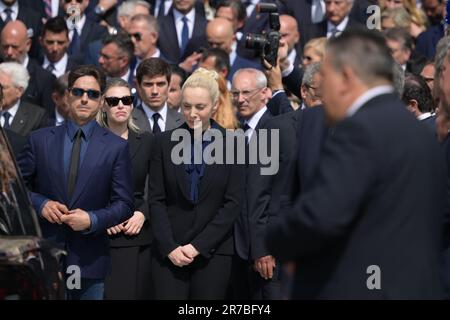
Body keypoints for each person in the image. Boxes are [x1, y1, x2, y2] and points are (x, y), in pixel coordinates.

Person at [266, 29, 447, 299]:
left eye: (325, 79)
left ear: (346, 77)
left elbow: (321, 216)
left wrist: (278, 241)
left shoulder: (359, 131)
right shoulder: (419, 132)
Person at [18, 65, 134, 300]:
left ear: (101, 101)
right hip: (43, 258)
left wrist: (92, 219)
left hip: (90, 260)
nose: (84, 99)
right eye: (78, 92)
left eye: (92, 94)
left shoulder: (117, 148)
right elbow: (16, 190)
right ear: (67, 95)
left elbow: (124, 204)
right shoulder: (39, 140)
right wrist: (41, 204)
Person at [149, 68, 244, 299]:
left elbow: (232, 204)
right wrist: (170, 247)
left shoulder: (234, 144)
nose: (192, 113)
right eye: (186, 106)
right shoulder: (163, 142)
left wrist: (198, 246)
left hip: (214, 253)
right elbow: (156, 200)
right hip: (169, 253)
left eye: (199, 107)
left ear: (214, 106)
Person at [97, 78, 153, 300]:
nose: (120, 105)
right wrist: (104, 216)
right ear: (103, 104)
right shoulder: (89, 142)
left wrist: (143, 213)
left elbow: (158, 186)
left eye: (126, 100)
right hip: (101, 237)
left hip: (138, 233)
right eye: (113, 101)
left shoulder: (147, 141)